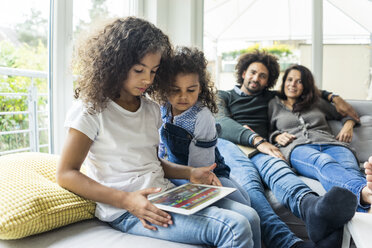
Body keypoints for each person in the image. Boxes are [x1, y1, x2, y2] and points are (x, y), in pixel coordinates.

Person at [56, 17, 257, 248]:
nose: (147, 79)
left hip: (167, 196)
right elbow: (66, 174)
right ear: (115, 64)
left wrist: (190, 172)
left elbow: (152, 161)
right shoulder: (91, 110)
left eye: (154, 71)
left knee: (250, 216)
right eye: (139, 70)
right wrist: (127, 201)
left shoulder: (150, 109)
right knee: (235, 226)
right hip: (129, 209)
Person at [216, 50, 359, 248]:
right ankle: (288, 243)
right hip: (233, 146)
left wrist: (332, 96)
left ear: (268, 81)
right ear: (243, 73)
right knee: (250, 185)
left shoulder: (270, 98)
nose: (256, 78)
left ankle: (313, 210)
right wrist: (258, 139)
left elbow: (302, 90)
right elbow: (221, 121)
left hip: (262, 149)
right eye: (252, 72)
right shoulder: (223, 95)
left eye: (262, 76)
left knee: (280, 170)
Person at [151, 46, 261, 248]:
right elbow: (159, 149)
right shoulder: (161, 108)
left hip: (207, 172)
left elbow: (200, 172)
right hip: (179, 172)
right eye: (175, 90)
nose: (183, 96)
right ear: (165, 89)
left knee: (247, 207)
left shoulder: (201, 117)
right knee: (245, 212)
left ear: (200, 88)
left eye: (191, 90)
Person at [268, 64, 371, 213]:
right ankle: (365, 196)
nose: (292, 84)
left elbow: (349, 114)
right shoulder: (273, 104)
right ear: (283, 82)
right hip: (298, 147)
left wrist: (348, 125)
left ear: (305, 85)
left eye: (299, 81)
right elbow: (267, 131)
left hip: (332, 144)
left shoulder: (316, 102)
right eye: (289, 80)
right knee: (323, 162)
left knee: (351, 170)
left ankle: (366, 214)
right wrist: (276, 136)